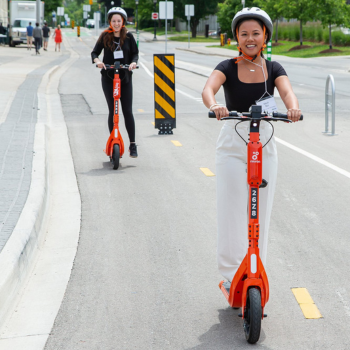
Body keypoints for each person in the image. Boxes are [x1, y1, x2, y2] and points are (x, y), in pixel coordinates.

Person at [202, 7, 302, 284]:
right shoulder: (227, 67)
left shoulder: (273, 68)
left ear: (265, 36)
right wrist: (215, 105)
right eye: (244, 33)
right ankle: (232, 274)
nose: (250, 38)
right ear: (236, 37)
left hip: (264, 138)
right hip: (233, 138)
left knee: (262, 209)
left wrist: (292, 108)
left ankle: (257, 271)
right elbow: (208, 89)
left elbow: (287, 91)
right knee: (230, 207)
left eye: (255, 33)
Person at [91, 7, 139, 158]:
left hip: (125, 78)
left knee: (127, 111)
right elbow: (94, 53)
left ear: (123, 21)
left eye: (119, 21)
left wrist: (133, 63)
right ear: (110, 22)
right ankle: (113, 139)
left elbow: (135, 54)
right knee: (113, 111)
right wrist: (98, 61)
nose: (116, 23)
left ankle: (132, 144)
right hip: (108, 77)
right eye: (114, 21)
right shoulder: (105, 35)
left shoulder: (129, 37)